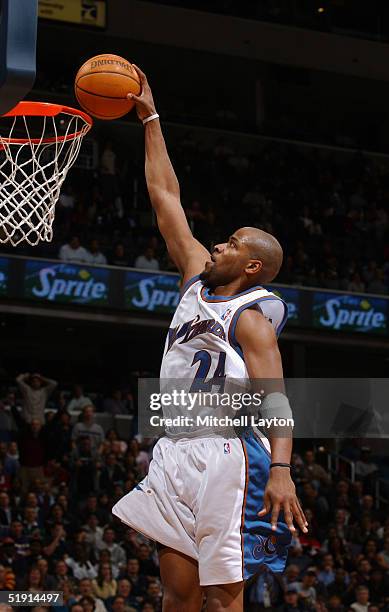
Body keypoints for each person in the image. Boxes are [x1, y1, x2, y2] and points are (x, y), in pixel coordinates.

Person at [112, 66, 307, 612]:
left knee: (223, 599)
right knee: (178, 594)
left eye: (230, 242)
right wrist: (150, 118)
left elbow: (276, 399)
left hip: (229, 454)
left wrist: (284, 472)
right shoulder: (196, 276)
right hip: (175, 447)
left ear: (250, 265)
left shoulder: (252, 318)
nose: (216, 244)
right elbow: (165, 197)